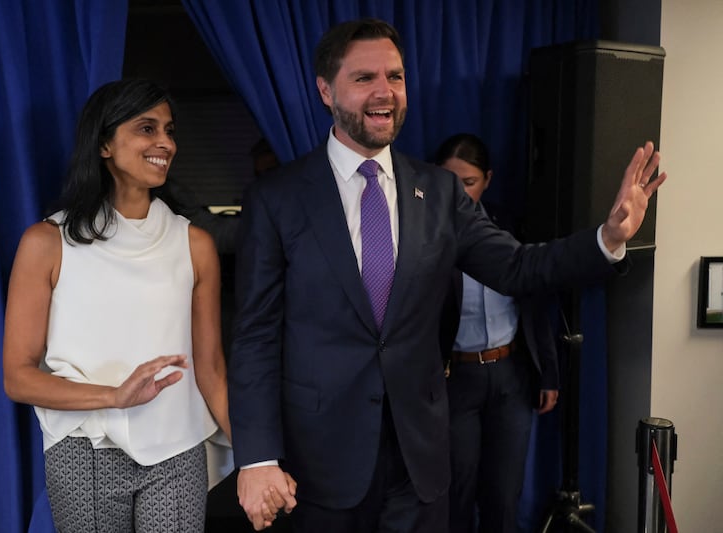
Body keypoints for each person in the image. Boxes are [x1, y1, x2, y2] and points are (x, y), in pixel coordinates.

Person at [228, 18, 666, 533]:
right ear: (326, 90)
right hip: (319, 463)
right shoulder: (277, 198)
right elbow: (254, 337)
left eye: (395, 76)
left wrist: (608, 238)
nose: (384, 92)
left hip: (419, 464)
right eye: (364, 78)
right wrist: (257, 458)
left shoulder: (439, 192)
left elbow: (518, 266)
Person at [2, 79, 234, 532]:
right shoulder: (46, 243)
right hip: (84, 449)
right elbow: (18, 377)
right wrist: (114, 397)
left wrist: (260, 458)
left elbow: (212, 373)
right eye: (147, 129)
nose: (165, 142)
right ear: (104, 144)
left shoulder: (195, 244)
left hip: (177, 448)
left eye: (169, 130)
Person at [434, 133, 559, 532]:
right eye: (448, 182)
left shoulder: (509, 224)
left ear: (487, 179)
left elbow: (536, 300)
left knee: (504, 495)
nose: (459, 193)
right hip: (455, 377)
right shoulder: (425, 235)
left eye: (468, 183)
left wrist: (549, 372)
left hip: (510, 373)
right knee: (456, 491)